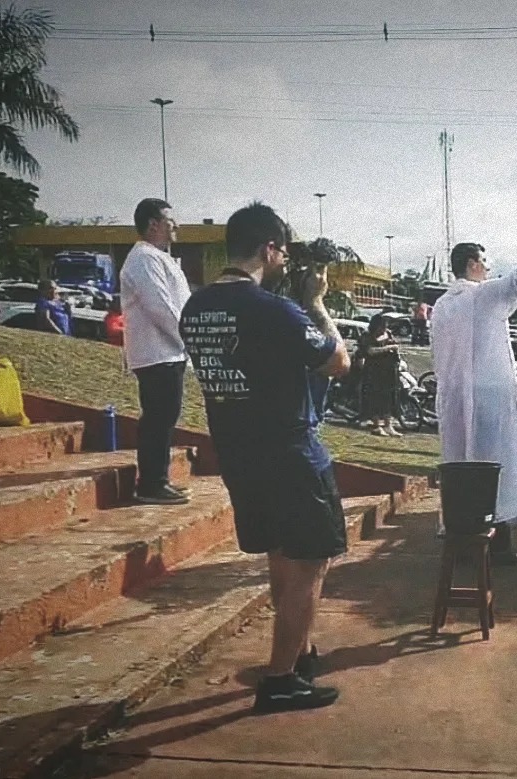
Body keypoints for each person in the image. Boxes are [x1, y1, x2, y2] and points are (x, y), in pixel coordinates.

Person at [180, 202, 351, 712]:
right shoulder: (276, 310)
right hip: (291, 453)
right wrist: (317, 304)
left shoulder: (196, 307)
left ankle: (296, 656)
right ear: (268, 249)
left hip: (238, 451)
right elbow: (338, 363)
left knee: (282, 555)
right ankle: (280, 678)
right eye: (282, 252)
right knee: (309, 564)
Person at [432, 206, 517, 565]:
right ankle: (498, 546)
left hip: (455, 401)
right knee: (495, 468)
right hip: (488, 399)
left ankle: (464, 540)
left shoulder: (443, 305)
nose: (488, 268)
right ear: (473, 265)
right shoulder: (481, 296)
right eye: (485, 262)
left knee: (461, 464)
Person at [120, 198, 194, 505]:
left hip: (169, 353)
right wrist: (188, 340)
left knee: (165, 416)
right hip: (157, 353)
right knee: (159, 417)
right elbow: (160, 307)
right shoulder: (144, 259)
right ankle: (151, 483)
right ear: (153, 224)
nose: (175, 226)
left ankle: (158, 478)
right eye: (169, 221)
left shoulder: (158, 257)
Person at [356, 316, 403, 437]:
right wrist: (388, 348)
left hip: (388, 371)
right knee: (374, 399)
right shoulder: (367, 336)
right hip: (373, 372)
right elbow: (370, 351)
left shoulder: (388, 335)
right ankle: (377, 425)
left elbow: (394, 346)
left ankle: (388, 425)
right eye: (382, 327)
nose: (384, 330)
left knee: (388, 398)